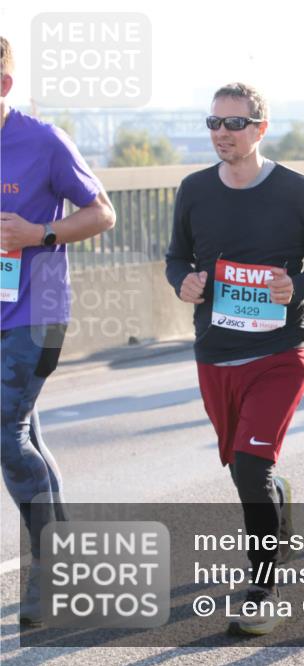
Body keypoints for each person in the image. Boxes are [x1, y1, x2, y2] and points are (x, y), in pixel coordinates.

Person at [165, 82, 304, 635]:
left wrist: (300, 285)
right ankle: (275, 497)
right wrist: (184, 283)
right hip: (215, 352)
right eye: (214, 123)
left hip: (280, 351)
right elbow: (176, 258)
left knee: (249, 466)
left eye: (234, 124)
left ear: (260, 129)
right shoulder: (193, 189)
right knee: (245, 468)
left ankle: (262, 584)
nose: (222, 133)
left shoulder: (297, 191)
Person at [0, 36, 116, 626]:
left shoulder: (41, 140)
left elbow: (102, 212)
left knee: (6, 434)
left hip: (35, 312)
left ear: (3, 86)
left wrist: (38, 234)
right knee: (26, 437)